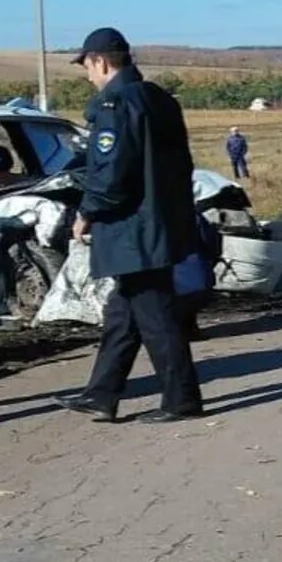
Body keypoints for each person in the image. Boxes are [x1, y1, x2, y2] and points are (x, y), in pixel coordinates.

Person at [56, 27, 204, 424]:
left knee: (155, 315)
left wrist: (87, 211)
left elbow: (110, 173)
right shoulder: (159, 100)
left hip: (132, 227)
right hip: (160, 220)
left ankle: (181, 398)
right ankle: (102, 394)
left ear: (100, 61)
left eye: (87, 66)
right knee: (122, 312)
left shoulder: (115, 105)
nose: (87, 75)